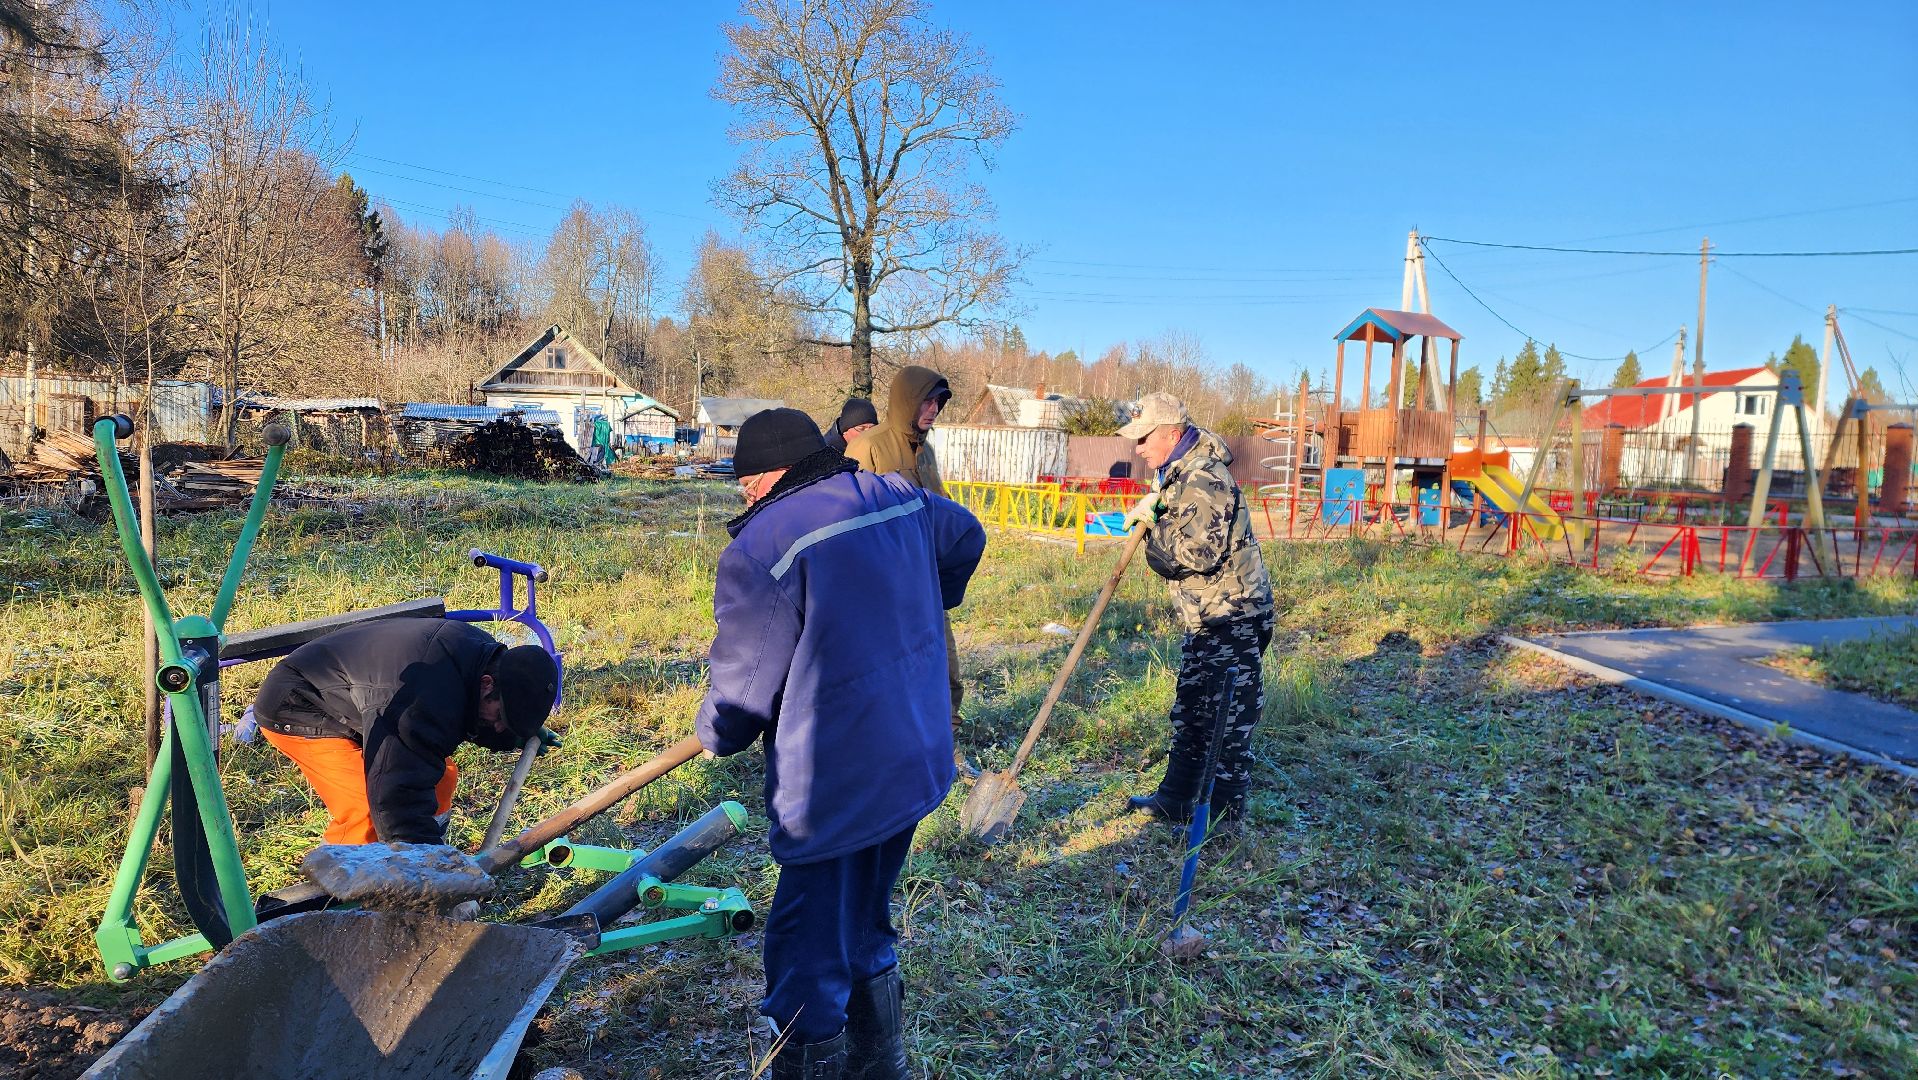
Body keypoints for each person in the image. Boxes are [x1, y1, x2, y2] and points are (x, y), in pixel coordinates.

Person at [696, 407, 985, 1080]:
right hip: (913, 758)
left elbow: (742, 691)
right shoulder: (898, 495)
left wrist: (716, 734)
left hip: (836, 781)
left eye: (746, 486)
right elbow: (966, 535)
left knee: (807, 946)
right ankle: (883, 1067)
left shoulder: (764, 547)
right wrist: (921, 598)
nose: (746, 499)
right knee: (865, 918)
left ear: (768, 477)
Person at [252, 619, 559, 846]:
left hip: (364, 698)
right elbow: (395, 798)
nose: (499, 727)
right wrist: (421, 871)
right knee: (366, 809)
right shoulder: (420, 702)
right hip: (300, 702)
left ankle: (428, 854)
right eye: (502, 717)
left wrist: (514, 731)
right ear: (487, 684)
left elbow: (470, 711)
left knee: (441, 779)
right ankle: (336, 897)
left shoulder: (484, 661)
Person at [1118, 392, 1274, 828]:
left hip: (1232, 616)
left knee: (1227, 722)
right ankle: (1176, 799)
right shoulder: (1177, 474)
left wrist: (1155, 528)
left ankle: (1222, 820)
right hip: (1205, 616)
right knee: (1191, 711)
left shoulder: (1204, 476)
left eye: (1145, 437)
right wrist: (1159, 509)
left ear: (1172, 434)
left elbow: (1198, 553)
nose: (1138, 447)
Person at [846, 367, 967, 740]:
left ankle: (947, 747)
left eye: (938, 403)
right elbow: (848, 519)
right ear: (906, 401)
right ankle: (890, 744)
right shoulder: (867, 447)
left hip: (926, 579)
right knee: (890, 674)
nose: (933, 410)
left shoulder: (926, 451)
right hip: (884, 588)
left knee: (944, 669)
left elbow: (939, 505)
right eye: (926, 401)